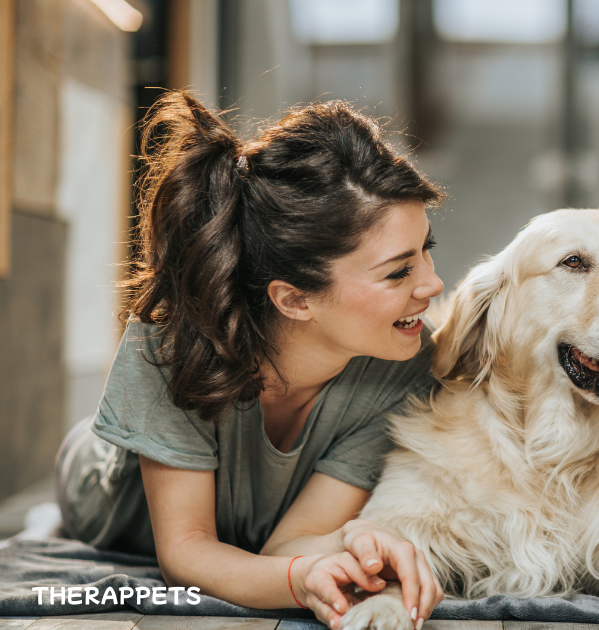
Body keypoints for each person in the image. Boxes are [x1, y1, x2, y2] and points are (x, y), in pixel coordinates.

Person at [55, 92, 444, 630]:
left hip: (253, 520)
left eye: (428, 247)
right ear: (294, 299)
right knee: (84, 456)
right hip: (104, 492)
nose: (433, 283)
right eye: (398, 271)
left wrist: (352, 542)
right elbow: (186, 553)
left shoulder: (405, 365)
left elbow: (286, 546)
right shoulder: (168, 347)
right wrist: (299, 577)